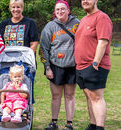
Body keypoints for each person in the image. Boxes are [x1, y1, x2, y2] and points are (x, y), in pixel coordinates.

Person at [39, 0, 79, 130]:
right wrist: (47, 68)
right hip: (55, 66)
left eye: (63, 9)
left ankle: (69, 124)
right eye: (57, 10)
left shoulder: (77, 24)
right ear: (54, 12)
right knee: (56, 96)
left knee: (69, 95)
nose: (60, 12)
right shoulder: (50, 26)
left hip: (72, 66)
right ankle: (54, 122)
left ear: (68, 10)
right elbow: (43, 49)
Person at [75, 0, 113, 130]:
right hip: (81, 66)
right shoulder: (84, 19)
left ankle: (100, 127)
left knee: (96, 97)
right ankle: (93, 125)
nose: (85, 1)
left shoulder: (102, 17)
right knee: (89, 97)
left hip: (95, 65)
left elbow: (102, 42)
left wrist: (95, 62)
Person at [0, 0, 39, 104]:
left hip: (24, 63)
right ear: (10, 8)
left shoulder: (30, 23)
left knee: (24, 87)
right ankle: (5, 108)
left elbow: (34, 43)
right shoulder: (4, 24)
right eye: (13, 7)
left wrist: (28, 58)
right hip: (7, 62)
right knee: (6, 86)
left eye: (18, 7)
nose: (15, 10)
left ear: (22, 8)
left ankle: (25, 110)